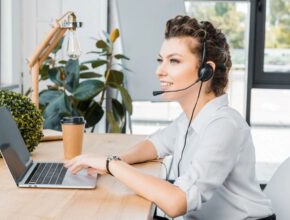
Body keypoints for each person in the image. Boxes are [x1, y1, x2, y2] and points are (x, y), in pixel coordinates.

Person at [64, 15, 275, 220]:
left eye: (174, 61)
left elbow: (177, 203)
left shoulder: (223, 126)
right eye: (160, 60)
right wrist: (114, 162)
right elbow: (154, 145)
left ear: (205, 72)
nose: (159, 71)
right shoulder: (190, 118)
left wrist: (111, 165)